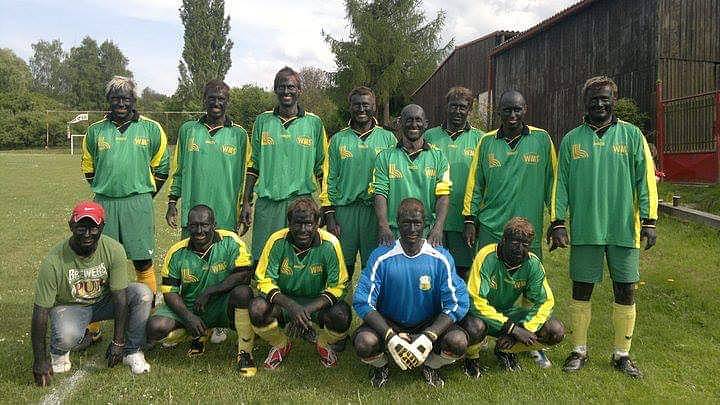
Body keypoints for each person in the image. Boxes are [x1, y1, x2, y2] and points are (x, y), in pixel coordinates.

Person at [548, 76, 658, 378]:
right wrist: (558, 222)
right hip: (586, 229)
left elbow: (645, 180)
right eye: (594, 98)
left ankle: (622, 354)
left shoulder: (632, 136)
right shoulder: (572, 139)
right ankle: (579, 349)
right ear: (585, 102)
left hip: (623, 229)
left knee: (625, 290)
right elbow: (562, 186)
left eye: (605, 98)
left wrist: (649, 220)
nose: (599, 103)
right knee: (581, 290)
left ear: (614, 100)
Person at [31, 202, 152, 387]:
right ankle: (59, 352)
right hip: (72, 306)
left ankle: (132, 351)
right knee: (67, 335)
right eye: (81, 228)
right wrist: (39, 359)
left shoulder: (114, 249)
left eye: (93, 228)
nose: (87, 234)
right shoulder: (53, 261)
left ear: (102, 227)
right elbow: (40, 312)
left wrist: (118, 342)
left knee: (142, 294)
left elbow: (120, 296)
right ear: (71, 226)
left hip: (104, 301)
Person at [353, 198, 469, 388]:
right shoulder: (381, 256)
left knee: (458, 342)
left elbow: (458, 302)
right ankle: (381, 365)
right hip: (390, 322)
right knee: (365, 343)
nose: (412, 229)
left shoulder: (440, 256)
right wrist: (390, 336)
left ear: (425, 223)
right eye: (406, 223)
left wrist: (429, 335)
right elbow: (362, 301)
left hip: (428, 323)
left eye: (417, 223)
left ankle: (431, 365)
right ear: (397, 223)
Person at [81, 75, 169, 302]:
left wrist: (145, 194)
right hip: (104, 202)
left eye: (126, 98)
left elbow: (162, 168)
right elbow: (89, 168)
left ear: (134, 100)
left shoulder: (151, 128)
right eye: (115, 98)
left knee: (142, 260)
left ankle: (147, 311)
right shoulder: (95, 131)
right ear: (108, 100)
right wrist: (108, 187)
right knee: (100, 261)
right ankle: (95, 324)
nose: (121, 103)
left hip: (138, 202)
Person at [147, 205, 256, 376]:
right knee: (156, 327)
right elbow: (170, 292)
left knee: (243, 293)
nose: (199, 231)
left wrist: (211, 291)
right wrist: (188, 317)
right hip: (192, 307)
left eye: (205, 225)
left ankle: (245, 353)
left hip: (222, 305)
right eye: (194, 225)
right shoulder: (176, 253)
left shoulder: (231, 241)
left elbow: (245, 274)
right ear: (188, 226)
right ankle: (198, 334)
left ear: (214, 224)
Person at [250, 197, 351, 370]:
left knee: (341, 315)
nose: (303, 230)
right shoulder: (276, 241)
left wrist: (304, 311)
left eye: (309, 224)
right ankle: (281, 344)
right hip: (284, 302)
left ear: (318, 222)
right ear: (289, 222)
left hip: (316, 304)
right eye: (297, 223)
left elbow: (338, 286)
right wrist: (291, 306)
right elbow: (264, 281)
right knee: (256, 309)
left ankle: (323, 343)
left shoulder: (330, 244)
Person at [238, 67, 328, 261]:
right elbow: (253, 165)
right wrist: (246, 201)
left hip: (301, 202)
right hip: (268, 203)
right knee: (263, 256)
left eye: (291, 87)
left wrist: (325, 205)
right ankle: (263, 292)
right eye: (282, 87)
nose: (287, 91)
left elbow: (322, 167)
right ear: (275, 90)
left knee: (300, 257)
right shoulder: (262, 121)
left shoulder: (314, 123)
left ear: (299, 90)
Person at [461, 217, 564, 376]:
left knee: (555, 330)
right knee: (475, 327)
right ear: (503, 240)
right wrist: (512, 329)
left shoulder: (532, 264)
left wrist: (523, 329)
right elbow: (475, 301)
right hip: (478, 315)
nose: (520, 249)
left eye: (525, 245)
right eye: (515, 243)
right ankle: (472, 358)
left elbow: (546, 301)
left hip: (507, 313)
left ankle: (506, 350)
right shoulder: (486, 256)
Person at [462, 90, 556, 261]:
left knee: (527, 283)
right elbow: (475, 184)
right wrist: (469, 219)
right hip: (491, 228)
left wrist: (557, 221)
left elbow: (553, 184)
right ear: (499, 111)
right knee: (487, 280)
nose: (512, 115)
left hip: (528, 229)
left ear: (525, 110)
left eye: (517, 110)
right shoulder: (486, 142)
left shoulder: (542, 139)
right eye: (507, 110)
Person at [321, 86, 396, 280]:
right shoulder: (338, 139)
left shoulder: (388, 138)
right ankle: (339, 308)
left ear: (374, 107)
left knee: (374, 267)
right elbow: (329, 178)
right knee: (342, 267)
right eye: (357, 105)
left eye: (366, 105)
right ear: (350, 107)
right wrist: (329, 215)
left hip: (375, 212)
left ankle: (370, 309)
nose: (361, 109)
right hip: (344, 213)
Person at [166, 80, 250, 237]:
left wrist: (246, 205)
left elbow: (247, 176)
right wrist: (172, 203)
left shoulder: (240, 135)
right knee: (190, 261)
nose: (216, 103)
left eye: (221, 99)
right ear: (204, 99)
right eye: (212, 98)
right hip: (193, 217)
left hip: (226, 218)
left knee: (223, 261)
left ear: (228, 102)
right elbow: (178, 171)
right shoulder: (187, 130)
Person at [370, 104, 451, 247]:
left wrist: (438, 228)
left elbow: (443, 196)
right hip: (393, 233)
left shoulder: (439, 157)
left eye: (418, 120)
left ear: (425, 124)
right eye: (409, 120)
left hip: (427, 233)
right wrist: (384, 227)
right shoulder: (384, 157)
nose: (414, 124)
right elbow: (379, 193)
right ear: (400, 123)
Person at [424, 87, 484, 279]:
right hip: (433, 217)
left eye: (463, 107)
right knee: (433, 269)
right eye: (454, 106)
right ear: (446, 107)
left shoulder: (481, 139)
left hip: (464, 218)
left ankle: (462, 308)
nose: (458, 111)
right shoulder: (430, 136)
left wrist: (473, 218)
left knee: (463, 271)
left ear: (470, 110)